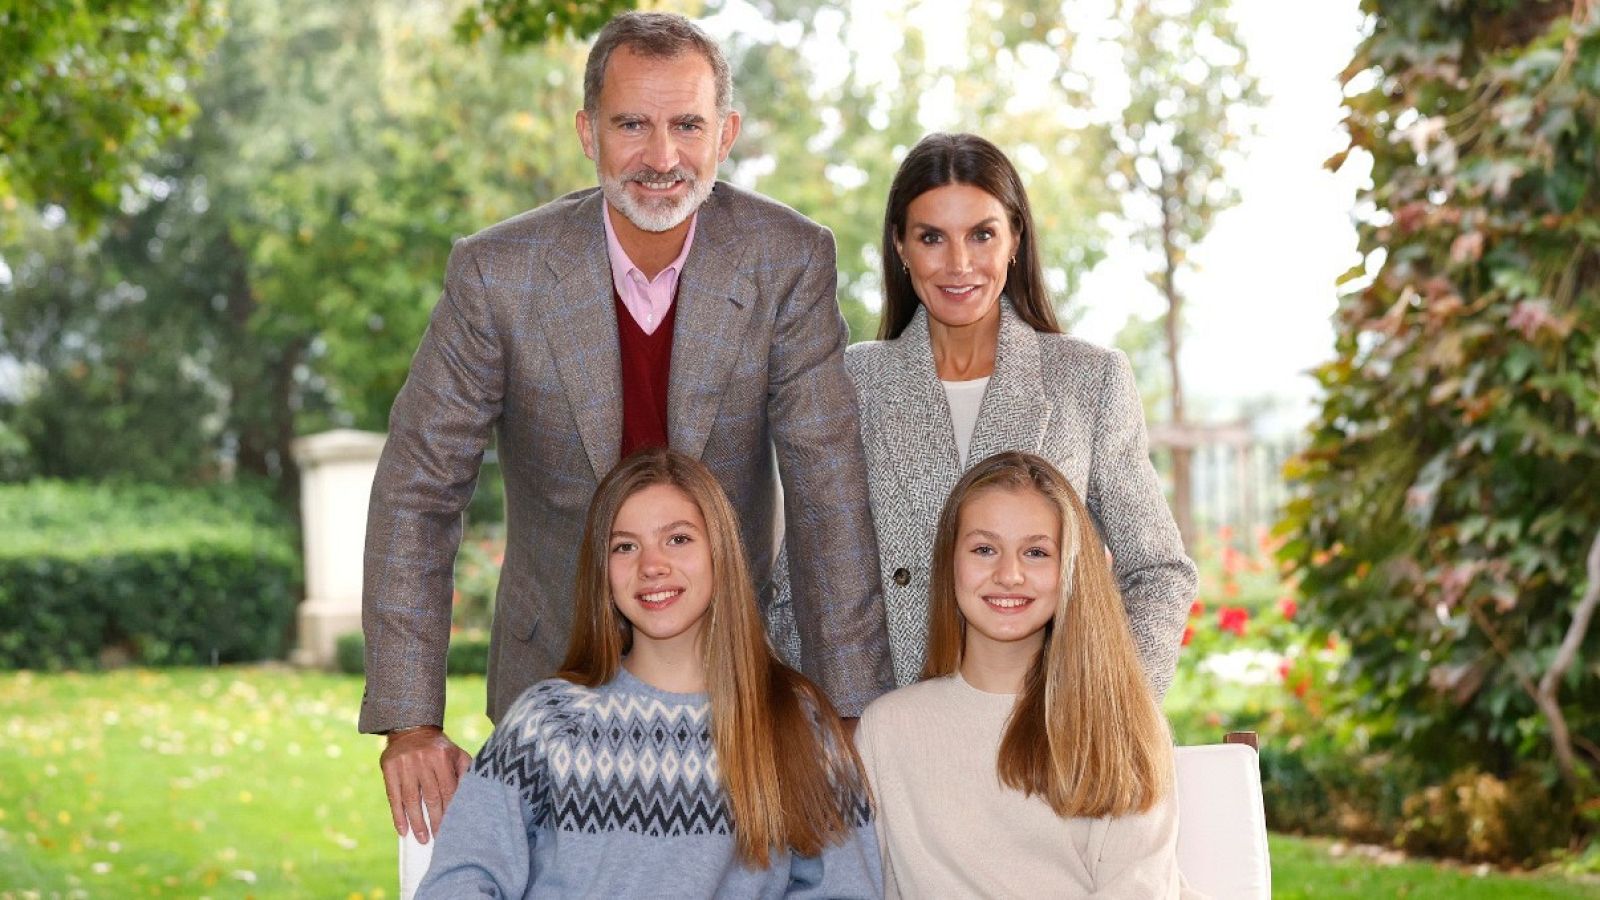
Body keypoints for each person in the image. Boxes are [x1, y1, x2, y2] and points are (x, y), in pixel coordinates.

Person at [362, 11, 893, 844]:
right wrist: (409, 719)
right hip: (553, 677)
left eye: (687, 124)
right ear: (587, 133)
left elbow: (829, 489)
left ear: (726, 134)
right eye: (631, 125)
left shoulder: (788, 258)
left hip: (734, 682)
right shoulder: (497, 274)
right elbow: (418, 489)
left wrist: (856, 714)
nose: (661, 157)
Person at [769, 132, 1195, 692]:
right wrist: (838, 727)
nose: (959, 264)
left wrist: (1109, 715)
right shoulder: (849, 384)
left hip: (1045, 733)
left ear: (1015, 238)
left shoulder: (1088, 381)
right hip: (889, 733)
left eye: (982, 235)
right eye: (931, 238)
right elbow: (797, 587)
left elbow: (1159, 571)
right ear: (899, 245)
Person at [417, 449, 881, 898]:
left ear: (722, 553)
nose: (652, 566)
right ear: (602, 570)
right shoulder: (547, 721)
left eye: (678, 539)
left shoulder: (796, 722)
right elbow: (458, 881)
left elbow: (843, 889)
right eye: (625, 546)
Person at [855, 452, 1201, 898]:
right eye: (984, 549)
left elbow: (1139, 888)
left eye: (1036, 552)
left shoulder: (1121, 721)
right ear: (950, 563)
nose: (1009, 575)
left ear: (1069, 569)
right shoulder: (887, 729)